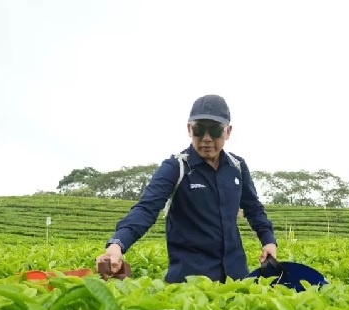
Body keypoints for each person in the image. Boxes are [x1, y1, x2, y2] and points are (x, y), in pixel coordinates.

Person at [96, 94, 278, 284]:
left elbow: (253, 208)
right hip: (190, 283)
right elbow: (146, 209)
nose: (206, 139)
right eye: (199, 130)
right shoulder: (176, 167)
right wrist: (117, 245)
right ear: (189, 129)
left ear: (228, 131)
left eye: (215, 130)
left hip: (236, 279)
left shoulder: (237, 167)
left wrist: (269, 240)